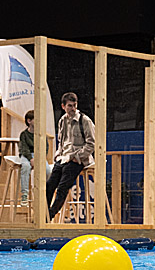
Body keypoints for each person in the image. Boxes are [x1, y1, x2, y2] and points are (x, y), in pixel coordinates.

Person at [45, 92, 96, 221]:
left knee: (62, 187)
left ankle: (49, 215)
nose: (72, 108)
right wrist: (58, 154)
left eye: (74, 105)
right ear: (63, 106)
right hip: (64, 158)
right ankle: (44, 214)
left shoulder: (84, 120)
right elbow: (61, 141)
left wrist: (77, 157)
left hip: (78, 159)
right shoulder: (62, 120)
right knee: (49, 185)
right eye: (69, 106)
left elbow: (92, 144)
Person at [15, 110, 52, 205]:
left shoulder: (42, 134)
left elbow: (45, 148)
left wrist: (39, 157)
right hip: (26, 155)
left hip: (38, 155)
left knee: (47, 170)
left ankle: (43, 191)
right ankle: (25, 194)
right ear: (29, 121)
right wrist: (30, 159)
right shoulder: (24, 134)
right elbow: (24, 148)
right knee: (26, 167)